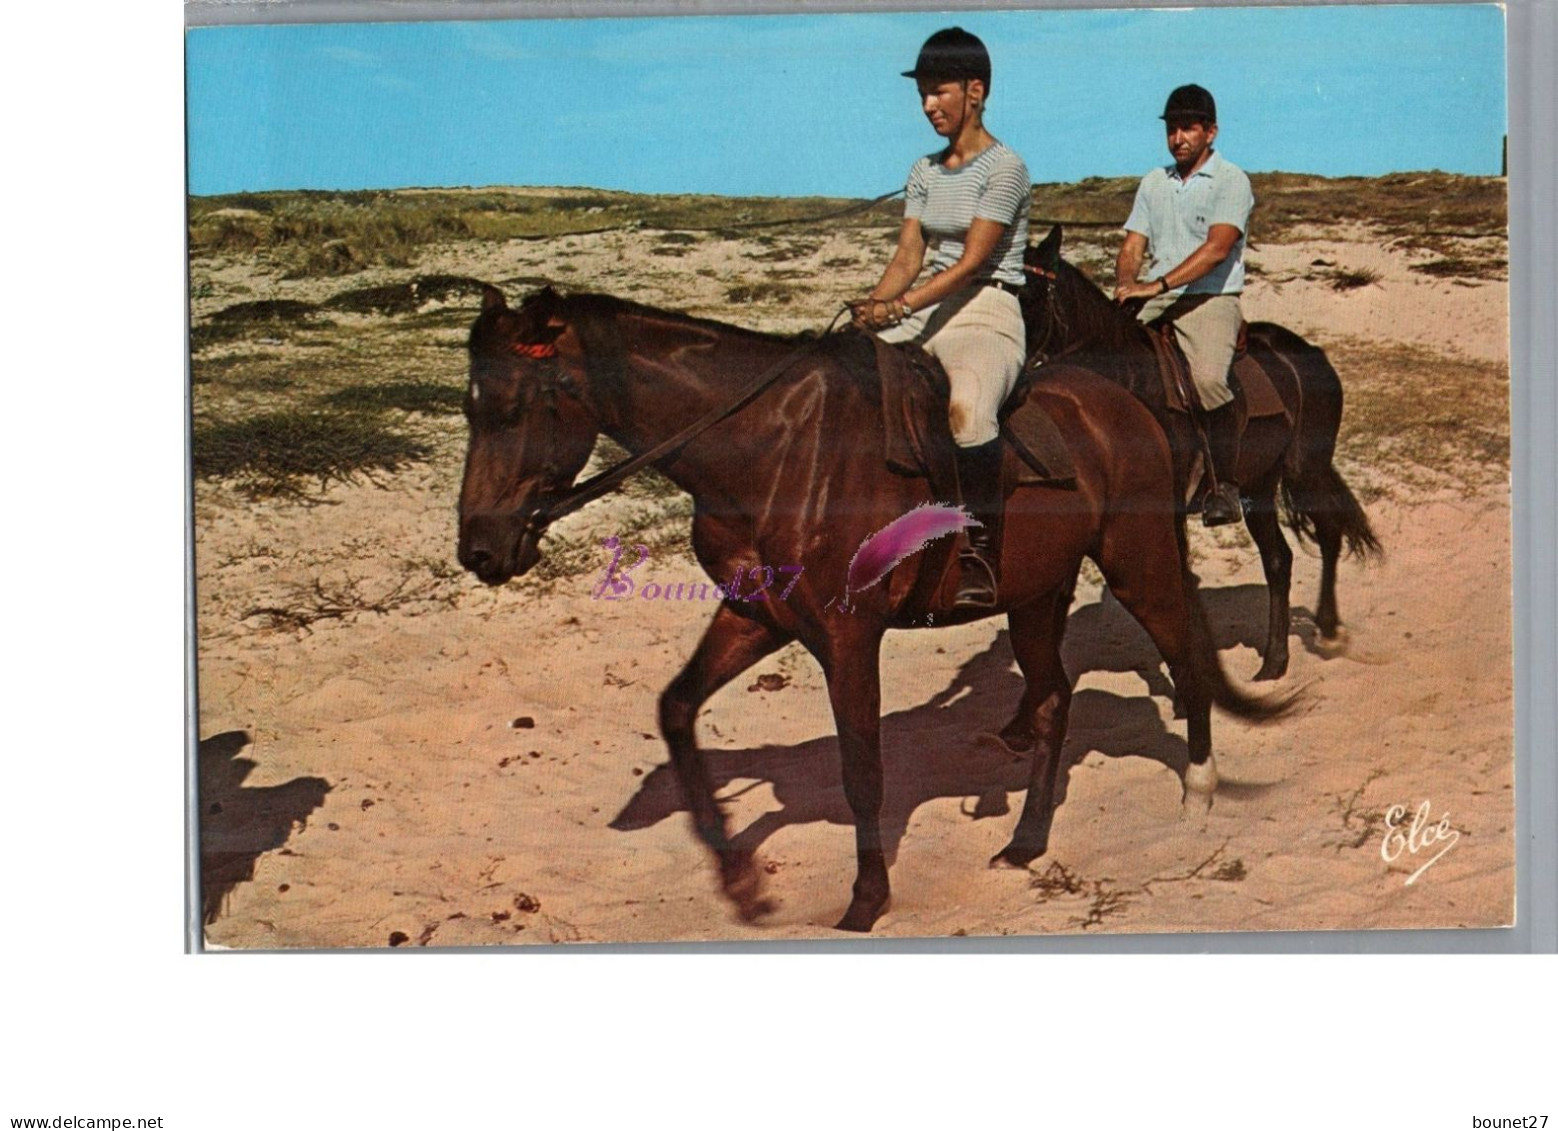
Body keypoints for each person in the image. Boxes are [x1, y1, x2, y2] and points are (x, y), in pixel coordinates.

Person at [850, 27, 1030, 609]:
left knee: (969, 413)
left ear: (974, 91)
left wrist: (900, 307)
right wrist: (876, 309)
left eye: (939, 91)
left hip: (988, 310)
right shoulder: (924, 170)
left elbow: (975, 262)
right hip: (929, 307)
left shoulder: (1006, 168)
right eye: (922, 93)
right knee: (851, 376)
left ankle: (981, 548)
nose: (928, 105)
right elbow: (909, 254)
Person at [1115, 83, 1255, 526]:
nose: (1178, 138)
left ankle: (1226, 488)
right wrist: (1125, 283)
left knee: (1210, 380)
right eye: (1172, 129)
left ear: (1210, 132)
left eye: (1188, 129)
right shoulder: (1154, 183)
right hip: (1157, 295)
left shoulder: (1232, 180)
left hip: (1210, 298)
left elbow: (1217, 249)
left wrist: (1155, 287)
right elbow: (1133, 245)